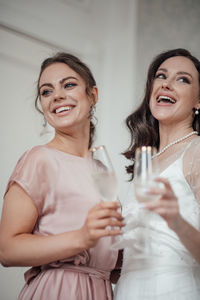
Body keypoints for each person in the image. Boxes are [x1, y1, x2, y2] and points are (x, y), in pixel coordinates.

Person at [0, 52, 124, 300]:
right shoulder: (39, 159)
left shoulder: (102, 171)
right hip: (57, 291)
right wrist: (81, 238)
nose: (56, 96)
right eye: (46, 91)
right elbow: (7, 250)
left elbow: (107, 261)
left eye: (68, 85)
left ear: (93, 95)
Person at [114, 48, 200, 299]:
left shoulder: (196, 151)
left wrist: (177, 221)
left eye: (182, 79)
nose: (167, 84)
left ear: (198, 100)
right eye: (161, 76)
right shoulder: (145, 161)